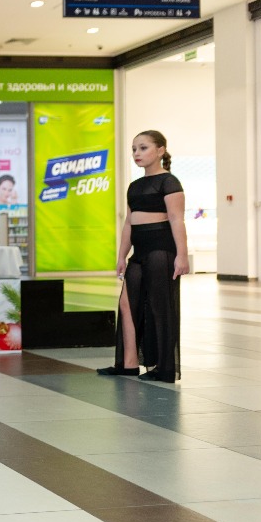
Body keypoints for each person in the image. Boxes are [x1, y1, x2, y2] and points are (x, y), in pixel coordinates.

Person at [97, 130, 188, 382]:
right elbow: (129, 222)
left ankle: (164, 368)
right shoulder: (134, 186)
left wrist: (182, 255)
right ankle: (128, 363)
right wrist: (121, 256)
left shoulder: (169, 182)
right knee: (127, 304)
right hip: (139, 252)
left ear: (160, 151)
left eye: (143, 148)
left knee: (160, 306)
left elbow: (176, 219)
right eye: (134, 149)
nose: (137, 153)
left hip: (161, 250)